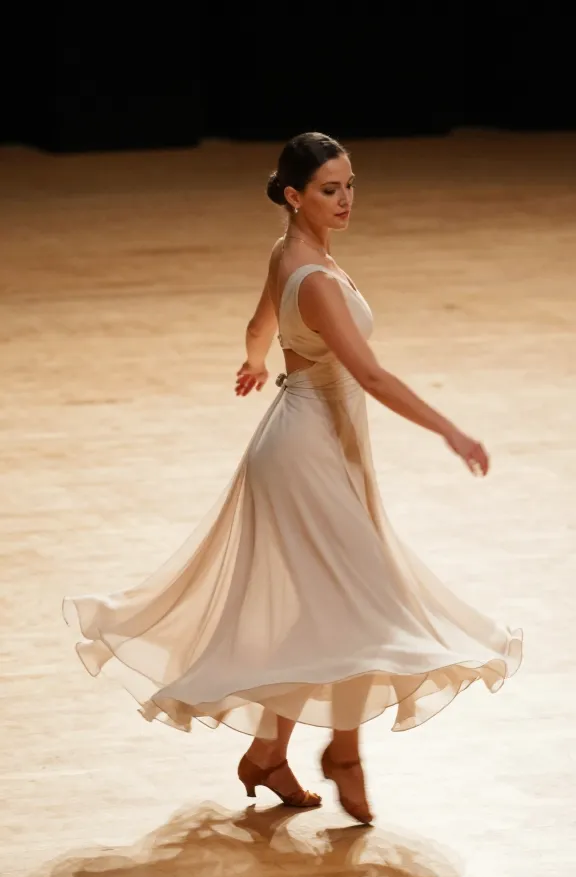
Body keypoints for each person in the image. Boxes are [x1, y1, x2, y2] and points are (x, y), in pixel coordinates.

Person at [64, 132, 522, 825]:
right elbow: (367, 373)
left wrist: (257, 362)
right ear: (292, 195)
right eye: (328, 190)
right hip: (306, 452)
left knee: (324, 609)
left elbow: (259, 323)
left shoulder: (290, 254)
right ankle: (343, 753)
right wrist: (449, 430)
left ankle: (272, 752)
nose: (345, 200)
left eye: (350, 186)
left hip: (318, 442)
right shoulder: (310, 275)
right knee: (363, 603)